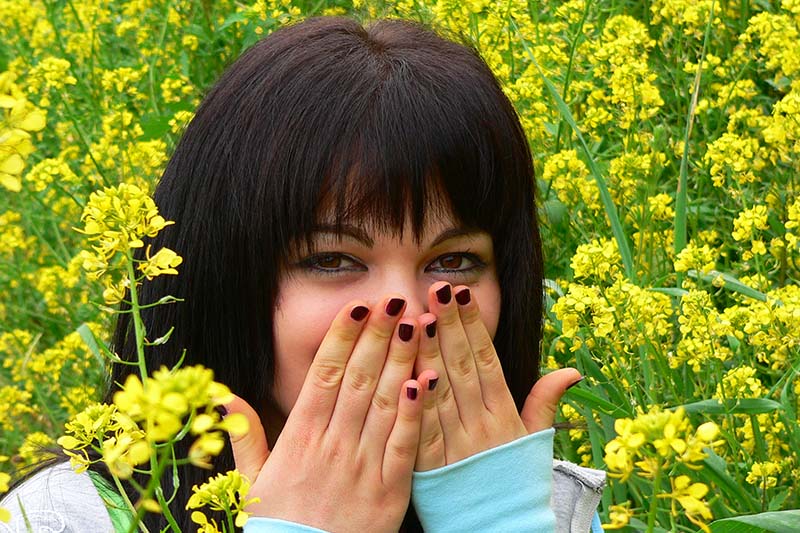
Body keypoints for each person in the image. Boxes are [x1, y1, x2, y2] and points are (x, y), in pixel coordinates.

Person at [1, 15, 605, 532]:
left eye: (453, 262)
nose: (409, 313)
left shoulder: (537, 505)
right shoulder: (71, 517)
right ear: (225, 279)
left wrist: (493, 517)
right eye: (332, 260)